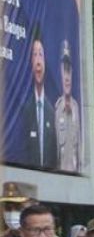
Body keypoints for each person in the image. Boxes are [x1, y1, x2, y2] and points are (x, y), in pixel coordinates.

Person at [20, 30, 57, 169]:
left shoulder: (52, 111)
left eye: (40, 54)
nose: (38, 61)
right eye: (34, 55)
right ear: (30, 62)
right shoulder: (25, 110)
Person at [54, 41, 82, 172]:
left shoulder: (78, 109)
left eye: (68, 71)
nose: (67, 78)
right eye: (64, 71)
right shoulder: (55, 110)